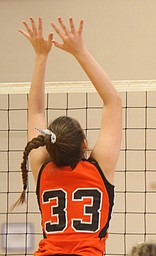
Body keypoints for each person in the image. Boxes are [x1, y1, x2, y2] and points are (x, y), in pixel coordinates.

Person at [12, 16, 122, 256]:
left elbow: (36, 110)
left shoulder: (42, 169)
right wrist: (80, 52)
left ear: (48, 146)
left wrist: (41, 57)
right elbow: (112, 101)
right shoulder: (99, 168)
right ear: (84, 144)